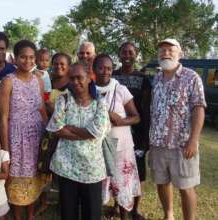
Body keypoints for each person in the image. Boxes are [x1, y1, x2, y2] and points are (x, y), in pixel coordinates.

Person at [149, 39, 206, 220]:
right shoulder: (156, 78)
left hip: (182, 145)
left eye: (170, 50)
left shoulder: (191, 77)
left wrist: (193, 140)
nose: (165, 53)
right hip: (158, 143)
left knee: (186, 187)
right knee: (162, 182)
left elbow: (199, 108)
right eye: (162, 50)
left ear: (179, 54)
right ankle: (169, 216)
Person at [46, 63, 110, 220]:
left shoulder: (99, 101)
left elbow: (98, 131)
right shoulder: (64, 99)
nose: (75, 82)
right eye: (72, 78)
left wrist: (70, 128)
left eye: (79, 78)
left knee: (92, 213)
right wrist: (86, 133)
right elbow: (56, 128)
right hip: (66, 166)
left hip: (92, 168)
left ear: (89, 78)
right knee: (68, 213)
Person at [0, 39, 49, 220]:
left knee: (33, 180)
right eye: (23, 57)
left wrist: (49, 137)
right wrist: (5, 150)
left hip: (37, 138)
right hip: (17, 139)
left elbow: (41, 109)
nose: (27, 61)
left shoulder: (39, 81)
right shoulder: (8, 82)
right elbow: (4, 118)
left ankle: (30, 216)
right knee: (17, 183)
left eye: (31, 58)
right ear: (15, 58)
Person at [94, 54, 141, 220]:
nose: (105, 71)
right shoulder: (88, 90)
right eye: (101, 67)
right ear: (94, 69)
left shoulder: (120, 89)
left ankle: (124, 216)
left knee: (122, 184)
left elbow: (136, 117)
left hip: (121, 146)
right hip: (96, 146)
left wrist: (119, 120)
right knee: (98, 183)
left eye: (109, 68)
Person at [113, 42, 151, 220]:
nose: (127, 55)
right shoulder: (112, 76)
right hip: (115, 132)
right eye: (124, 52)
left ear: (135, 55)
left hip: (137, 132)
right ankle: (116, 205)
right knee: (115, 169)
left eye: (131, 52)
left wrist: (145, 137)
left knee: (137, 172)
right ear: (119, 55)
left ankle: (135, 209)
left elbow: (145, 108)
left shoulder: (143, 79)